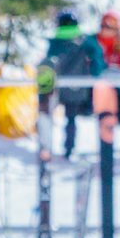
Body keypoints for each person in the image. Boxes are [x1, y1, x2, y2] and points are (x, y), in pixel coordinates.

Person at [42, 9, 105, 157]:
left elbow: (48, 63)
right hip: (78, 87)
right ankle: (69, 149)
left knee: (54, 117)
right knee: (71, 118)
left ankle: (51, 149)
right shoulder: (85, 41)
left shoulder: (55, 43)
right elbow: (97, 57)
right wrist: (95, 73)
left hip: (59, 87)